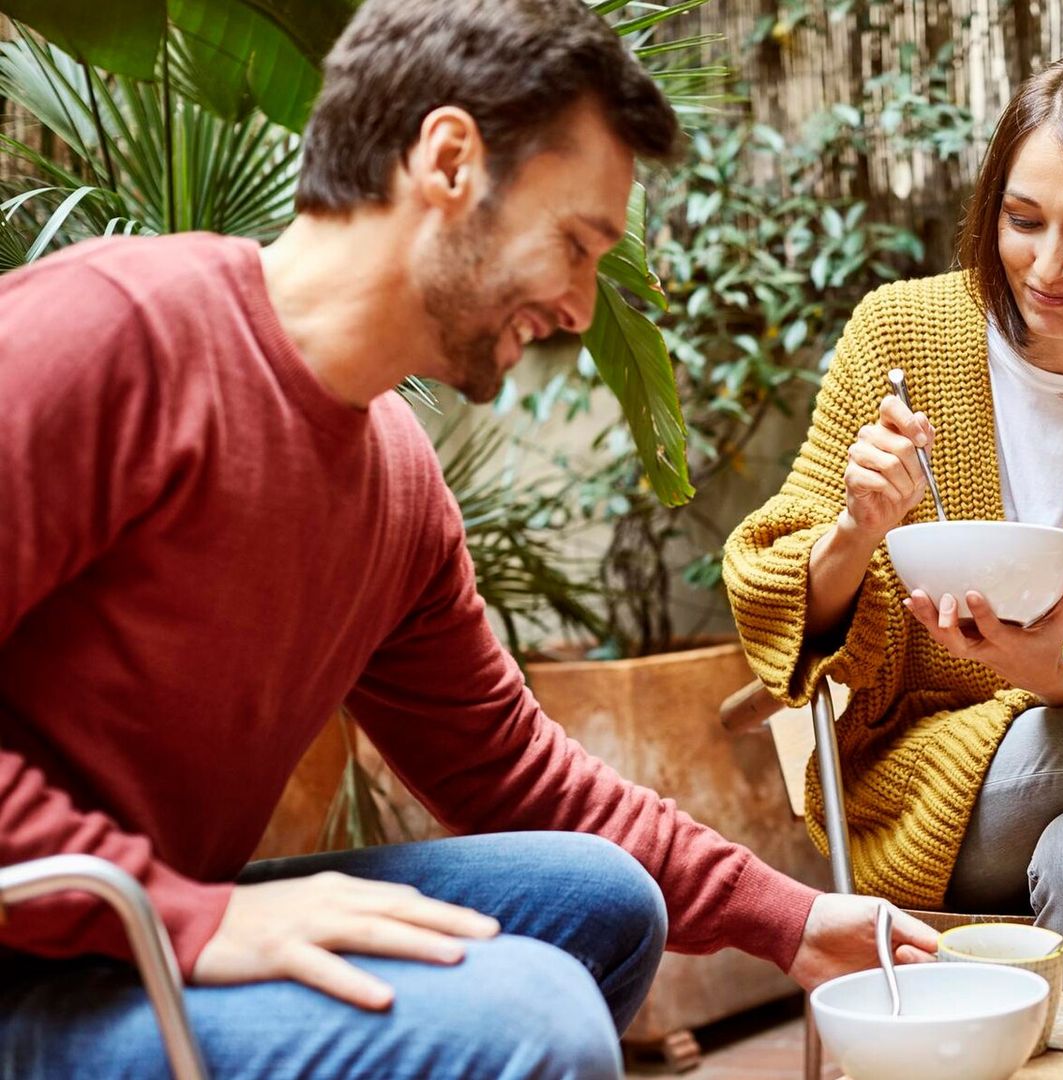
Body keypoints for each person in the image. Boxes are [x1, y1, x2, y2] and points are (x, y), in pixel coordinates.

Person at [0, 2, 935, 1076]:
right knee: (532, 1023)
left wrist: (792, 918)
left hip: (126, 929)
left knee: (598, 901)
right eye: (575, 244)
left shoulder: (394, 476)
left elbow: (512, 771)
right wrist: (181, 919)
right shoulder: (111, 334)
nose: (585, 307)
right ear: (448, 160)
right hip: (33, 954)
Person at [724, 51, 1063, 994]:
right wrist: (856, 531)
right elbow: (771, 589)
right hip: (918, 785)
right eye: (1023, 221)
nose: (1047, 266)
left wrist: (1051, 671)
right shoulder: (899, 335)